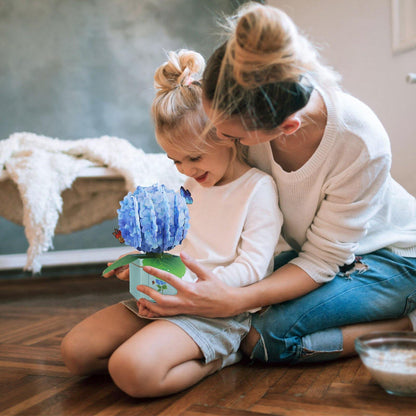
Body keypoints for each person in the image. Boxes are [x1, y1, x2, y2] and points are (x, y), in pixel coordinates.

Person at [134, 2, 416, 365]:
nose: (217, 139)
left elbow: (322, 260)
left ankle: (404, 326)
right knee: (243, 313)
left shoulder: (361, 142)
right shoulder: (248, 110)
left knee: (265, 338)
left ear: (286, 130)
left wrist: (233, 300)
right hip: (318, 255)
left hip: (392, 258)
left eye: (227, 133)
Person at [60, 49, 281, 398]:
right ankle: (162, 344)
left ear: (227, 137)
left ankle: (223, 355)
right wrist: (144, 263)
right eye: (175, 159)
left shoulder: (258, 188)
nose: (185, 169)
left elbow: (254, 266)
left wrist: (190, 292)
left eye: (193, 157)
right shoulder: (190, 188)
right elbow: (178, 246)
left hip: (216, 311)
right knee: (76, 353)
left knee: (130, 371)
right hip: (169, 298)